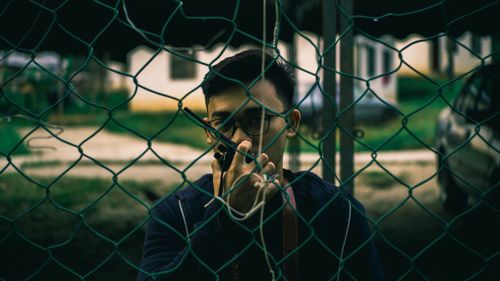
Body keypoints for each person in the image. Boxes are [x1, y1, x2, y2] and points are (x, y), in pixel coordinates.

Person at [137, 49, 384, 281]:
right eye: (223, 123)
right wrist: (225, 217)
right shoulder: (174, 214)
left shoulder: (336, 210)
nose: (239, 140)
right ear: (209, 132)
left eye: (256, 120)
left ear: (291, 124)